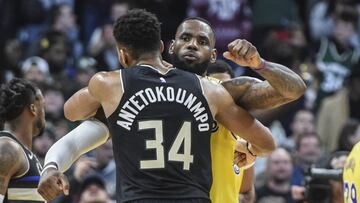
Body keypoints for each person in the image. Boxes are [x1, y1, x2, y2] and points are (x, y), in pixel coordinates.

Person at [40, 15, 306, 203]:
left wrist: (259, 64)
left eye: (202, 41)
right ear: (169, 47)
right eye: (186, 38)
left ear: (213, 54)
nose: (192, 44)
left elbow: (292, 91)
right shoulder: (212, 95)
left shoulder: (222, 89)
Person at [0, 78, 46, 203]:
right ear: (33, 109)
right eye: (43, 105)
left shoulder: (22, 152)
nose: (44, 113)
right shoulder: (7, 148)